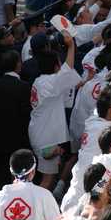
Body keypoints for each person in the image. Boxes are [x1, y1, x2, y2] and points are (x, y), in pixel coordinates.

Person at [28, 32, 80, 189]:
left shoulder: (40, 81)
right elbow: (69, 68)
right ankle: (39, 209)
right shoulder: (51, 82)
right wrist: (71, 46)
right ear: (56, 66)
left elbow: (68, 81)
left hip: (41, 134)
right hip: (46, 139)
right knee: (47, 180)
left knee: (47, 178)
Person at [0, 51, 31, 189]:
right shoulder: (24, 87)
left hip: (0, 137)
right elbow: (27, 114)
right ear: (17, 64)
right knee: (21, 175)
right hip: (20, 138)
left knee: (1, 174)